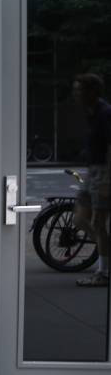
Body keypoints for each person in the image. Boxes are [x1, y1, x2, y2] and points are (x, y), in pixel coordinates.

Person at [74, 73, 111, 287]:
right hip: (93, 171)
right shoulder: (91, 112)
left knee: (98, 223)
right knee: (79, 219)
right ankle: (106, 253)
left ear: (93, 92)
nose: (76, 94)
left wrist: (107, 178)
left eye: (79, 90)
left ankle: (103, 273)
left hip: (103, 172)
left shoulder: (105, 113)